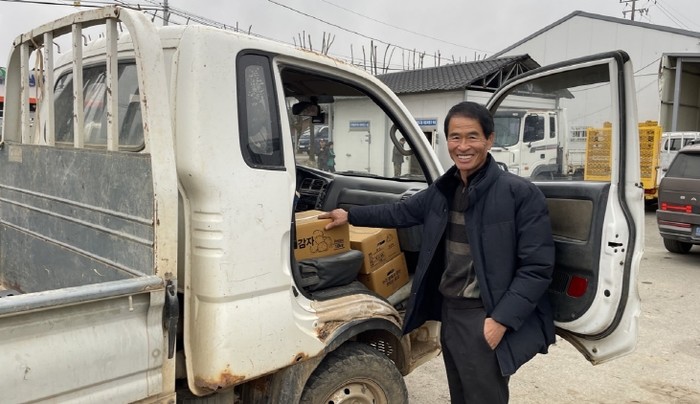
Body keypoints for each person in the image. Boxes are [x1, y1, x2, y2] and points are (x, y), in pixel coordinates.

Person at [320, 101, 555, 403]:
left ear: (489, 140)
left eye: (472, 136)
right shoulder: (445, 190)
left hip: (484, 314)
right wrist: (350, 215)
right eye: (455, 137)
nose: (463, 146)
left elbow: (537, 267)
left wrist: (501, 321)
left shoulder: (519, 194)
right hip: (450, 311)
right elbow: (400, 212)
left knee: (485, 397)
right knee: (460, 394)